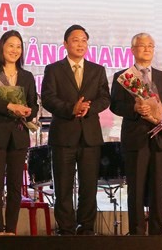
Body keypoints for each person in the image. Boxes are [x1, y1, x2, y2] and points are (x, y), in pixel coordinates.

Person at [41, 24, 110, 235]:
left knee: (89, 186)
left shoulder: (97, 70)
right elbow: (48, 98)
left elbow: (105, 98)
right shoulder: (53, 69)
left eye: (84, 40)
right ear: (65, 44)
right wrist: (72, 108)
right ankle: (66, 228)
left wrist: (88, 108)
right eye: (75, 40)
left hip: (90, 136)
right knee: (63, 186)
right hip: (63, 135)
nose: (80, 44)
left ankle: (86, 227)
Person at [110, 33, 162, 235]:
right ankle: (137, 231)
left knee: (158, 187)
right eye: (142, 46)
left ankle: (157, 232)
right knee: (137, 187)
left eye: (151, 46)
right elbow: (115, 105)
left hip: (161, 138)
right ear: (133, 50)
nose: (147, 49)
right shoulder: (123, 77)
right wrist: (134, 108)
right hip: (136, 138)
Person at [0, 30, 39, 235]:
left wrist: (29, 112)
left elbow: (34, 104)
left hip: (19, 136)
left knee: (15, 186)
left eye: (18, 46)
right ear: (2, 47)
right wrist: (10, 107)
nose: (14, 50)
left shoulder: (28, 76)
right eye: (11, 45)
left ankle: (10, 230)